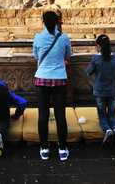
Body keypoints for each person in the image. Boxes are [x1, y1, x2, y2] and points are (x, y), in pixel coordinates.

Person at [33, 11, 72, 161]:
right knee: (60, 114)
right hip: (59, 79)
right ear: (58, 22)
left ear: (43, 22)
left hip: (42, 78)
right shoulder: (63, 38)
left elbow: (36, 56)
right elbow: (67, 55)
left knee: (43, 114)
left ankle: (44, 149)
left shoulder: (37, 37)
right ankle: (62, 149)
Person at [86, 34, 115, 150]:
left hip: (100, 91)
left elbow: (88, 72)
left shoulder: (96, 59)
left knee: (102, 115)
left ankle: (107, 130)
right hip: (112, 90)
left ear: (98, 46)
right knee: (112, 115)